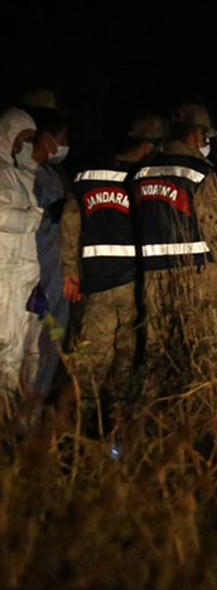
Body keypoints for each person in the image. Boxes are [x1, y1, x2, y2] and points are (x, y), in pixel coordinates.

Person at [61, 114, 166, 432]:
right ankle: (118, 420)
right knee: (128, 354)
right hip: (136, 284)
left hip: (97, 283)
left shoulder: (85, 177)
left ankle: (82, 421)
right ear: (147, 146)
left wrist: (69, 272)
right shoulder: (148, 179)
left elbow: (69, 225)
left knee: (92, 353)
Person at [131, 103, 217, 394]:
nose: (207, 144)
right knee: (202, 358)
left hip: (153, 279)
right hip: (197, 278)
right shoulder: (200, 171)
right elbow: (216, 229)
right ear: (196, 134)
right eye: (206, 138)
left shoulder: (142, 172)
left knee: (155, 356)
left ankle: (140, 426)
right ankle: (196, 425)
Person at [24, 107, 72, 401]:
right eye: (62, 138)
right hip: (36, 275)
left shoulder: (53, 175)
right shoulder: (23, 175)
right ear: (45, 138)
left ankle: (35, 415)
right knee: (31, 347)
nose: (65, 145)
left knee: (52, 346)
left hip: (57, 274)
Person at [0, 108, 43, 412]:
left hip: (32, 278)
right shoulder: (2, 173)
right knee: (9, 353)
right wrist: (35, 220)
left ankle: (24, 421)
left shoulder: (18, 172)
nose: (26, 144)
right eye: (24, 138)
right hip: (9, 277)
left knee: (33, 351)